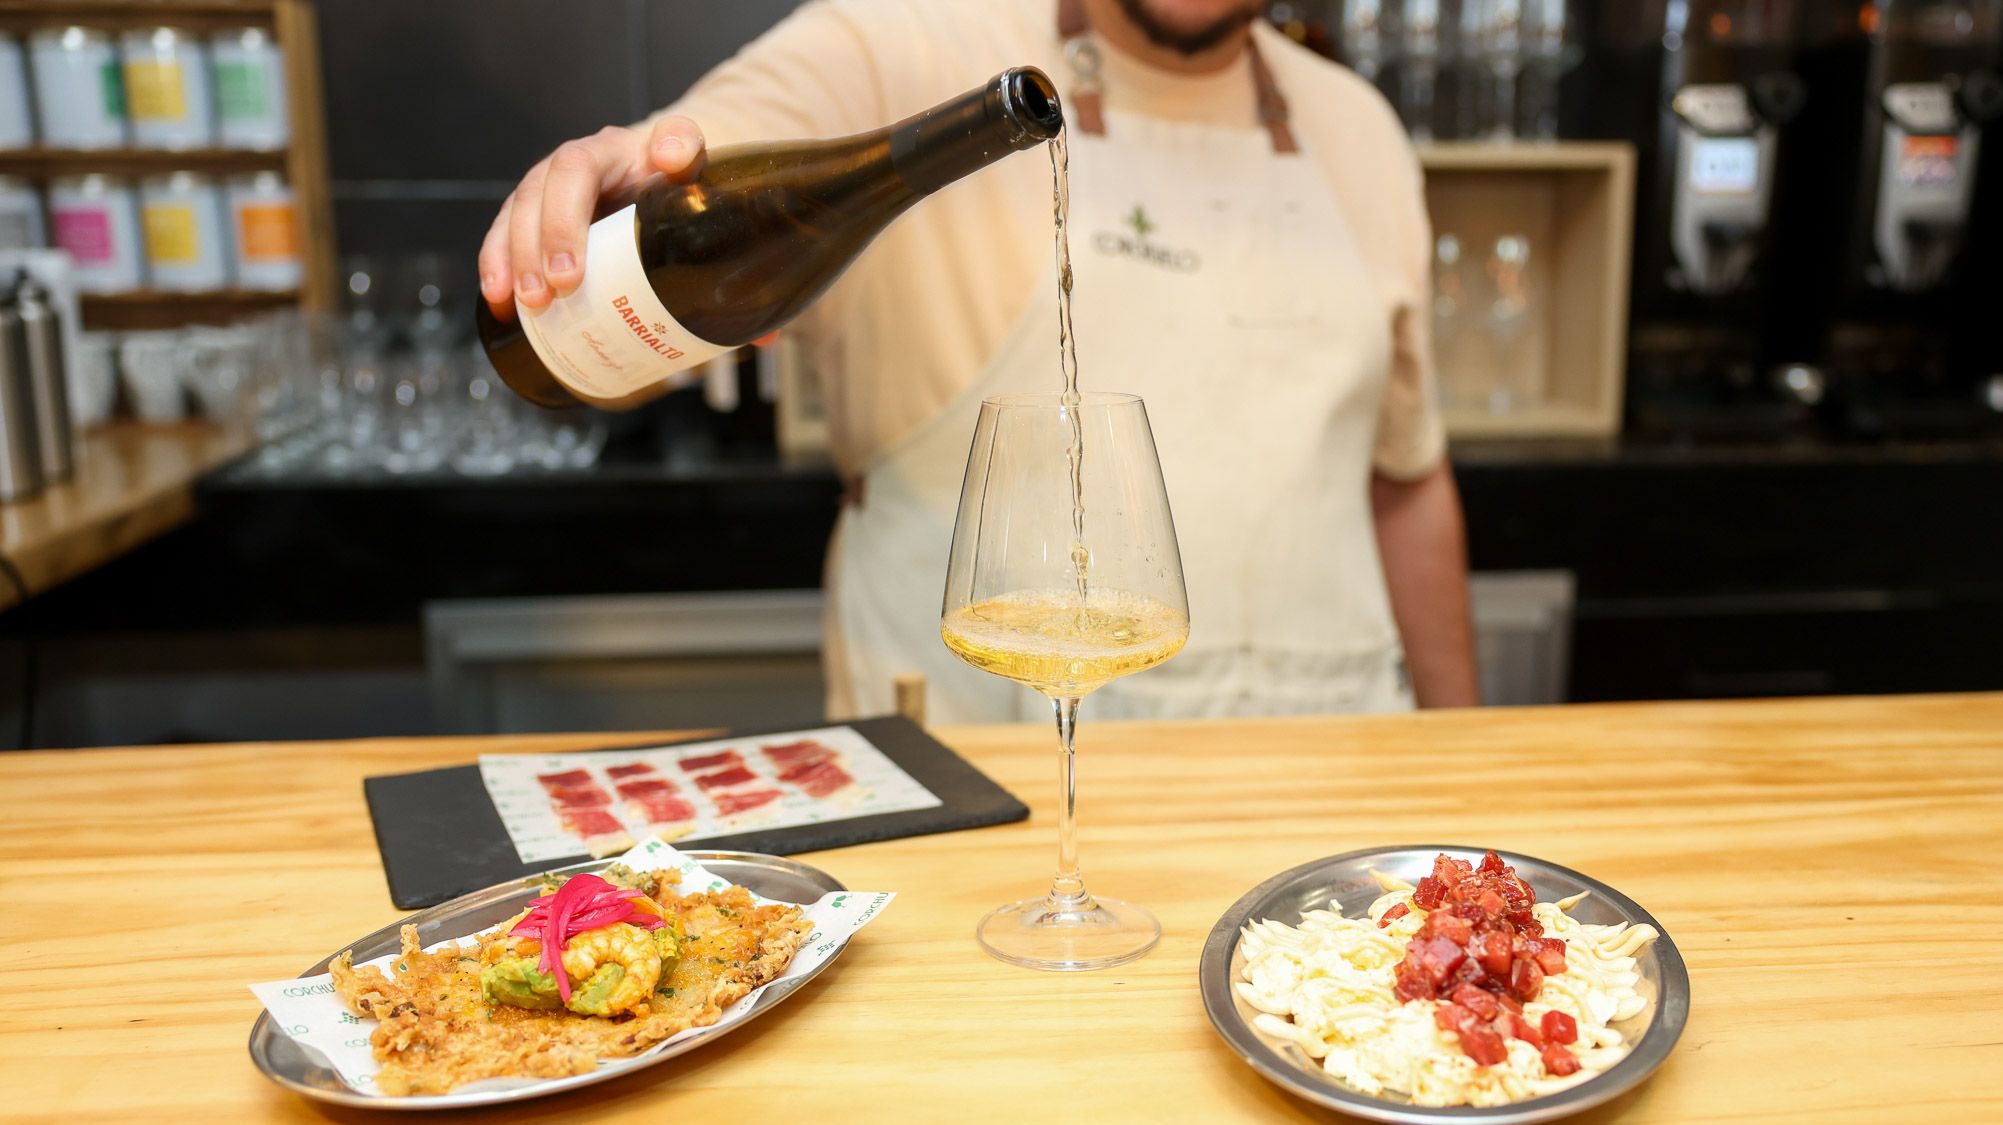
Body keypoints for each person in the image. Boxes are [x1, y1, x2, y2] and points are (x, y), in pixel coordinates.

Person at [478, 0, 1480, 722]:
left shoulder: (1360, 128)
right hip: (979, 780)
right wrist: (614, 194)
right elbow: (699, 169)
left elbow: (1404, 477)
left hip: (1328, 774)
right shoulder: (892, 43)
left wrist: (1461, 750)